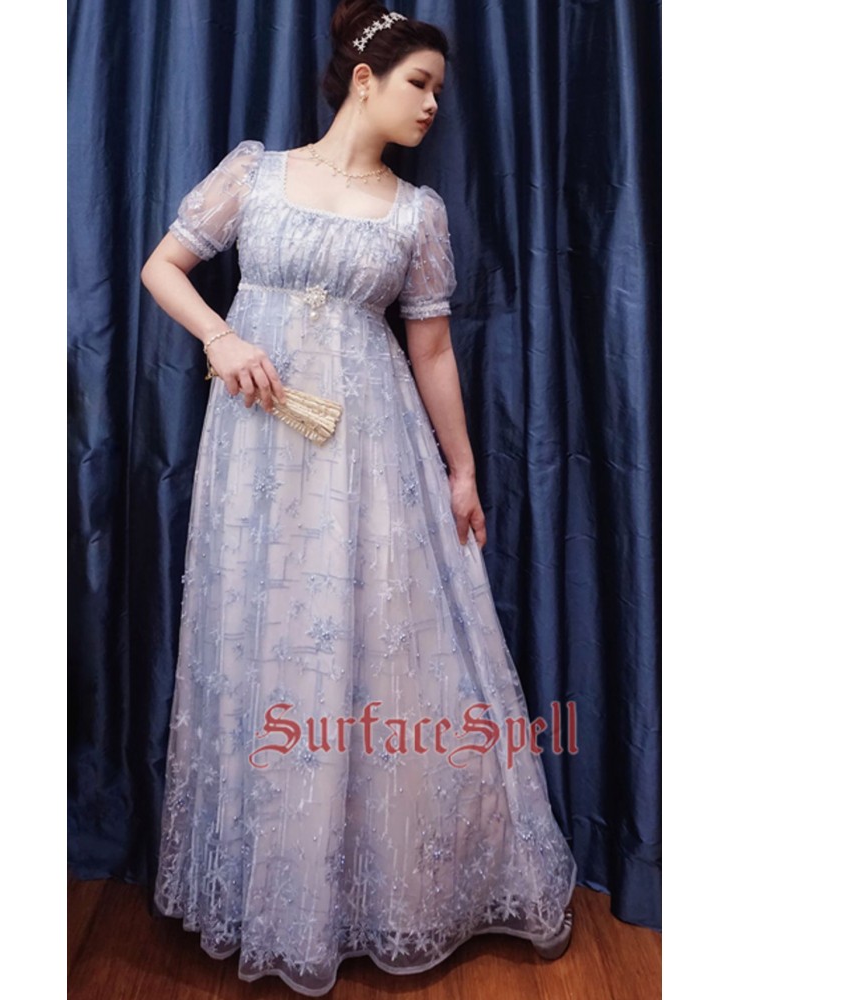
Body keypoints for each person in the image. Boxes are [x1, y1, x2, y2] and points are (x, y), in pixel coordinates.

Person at [140, 2, 576, 994]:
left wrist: (462, 470)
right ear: (364, 78)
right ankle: (277, 893)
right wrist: (221, 336)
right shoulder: (254, 174)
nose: (431, 106)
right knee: (263, 643)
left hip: (372, 456)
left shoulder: (417, 214)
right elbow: (162, 267)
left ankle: (386, 890)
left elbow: (432, 349)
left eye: (439, 92)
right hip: (257, 453)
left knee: (374, 645)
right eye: (419, 83)